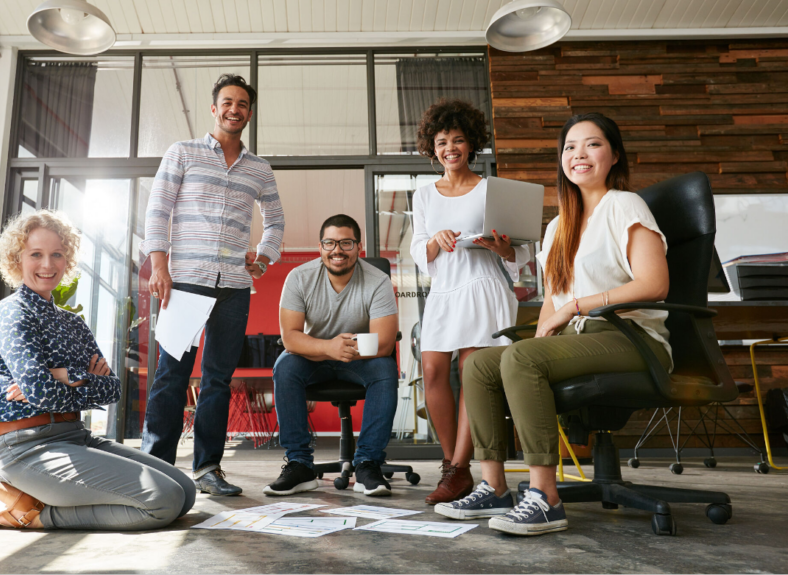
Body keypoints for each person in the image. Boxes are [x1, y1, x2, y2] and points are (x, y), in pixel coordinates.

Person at [452, 113, 671, 536]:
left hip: (631, 337)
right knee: (480, 365)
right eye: (570, 147)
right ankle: (494, 486)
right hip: (579, 338)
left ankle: (545, 497)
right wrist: (539, 336)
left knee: (521, 359)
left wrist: (576, 308)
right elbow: (553, 299)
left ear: (614, 155)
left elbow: (654, 283)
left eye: (592, 144)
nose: (579, 154)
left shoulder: (624, 205)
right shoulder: (556, 227)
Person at [0, 210, 196, 531]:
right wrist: (74, 377)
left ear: (67, 260)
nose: (47, 265)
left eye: (57, 254)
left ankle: (48, 498)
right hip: (25, 447)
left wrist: (61, 374)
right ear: (16, 259)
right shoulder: (10, 314)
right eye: (36, 254)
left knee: (187, 492)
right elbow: (42, 391)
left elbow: (113, 389)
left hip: (76, 437)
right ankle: (32, 514)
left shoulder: (73, 322)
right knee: (163, 500)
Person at [141, 74, 285, 497]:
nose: (234, 109)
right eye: (227, 101)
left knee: (218, 380)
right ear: (214, 107)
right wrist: (159, 266)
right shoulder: (182, 153)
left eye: (242, 103)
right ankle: (156, 468)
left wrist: (264, 255)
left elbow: (275, 219)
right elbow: (158, 209)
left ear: (249, 113)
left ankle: (208, 468)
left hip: (234, 287)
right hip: (184, 282)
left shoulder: (259, 169)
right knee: (172, 375)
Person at [408, 99, 531, 505]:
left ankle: (458, 469)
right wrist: (433, 241)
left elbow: (520, 250)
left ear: (471, 144)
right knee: (432, 369)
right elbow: (416, 248)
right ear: (432, 148)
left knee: (471, 372)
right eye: (442, 141)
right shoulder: (424, 195)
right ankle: (452, 467)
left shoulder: (491, 190)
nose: (450, 148)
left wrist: (502, 247)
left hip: (484, 284)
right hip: (445, 289)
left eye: (458, 140)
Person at [263, 214, 400, 497]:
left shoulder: (378, 280)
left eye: (346, 243)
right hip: (315, 359)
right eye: (330, 242)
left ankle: (367, 464)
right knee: (284, 366)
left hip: (361, 361)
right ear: (320, 247)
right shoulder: (299, 278)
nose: (338, 250)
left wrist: (341, 348)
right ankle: (300, 464)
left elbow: (385, 343)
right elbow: (290, 337)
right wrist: (328, 347)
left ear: (358, 248)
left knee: (385, 368)